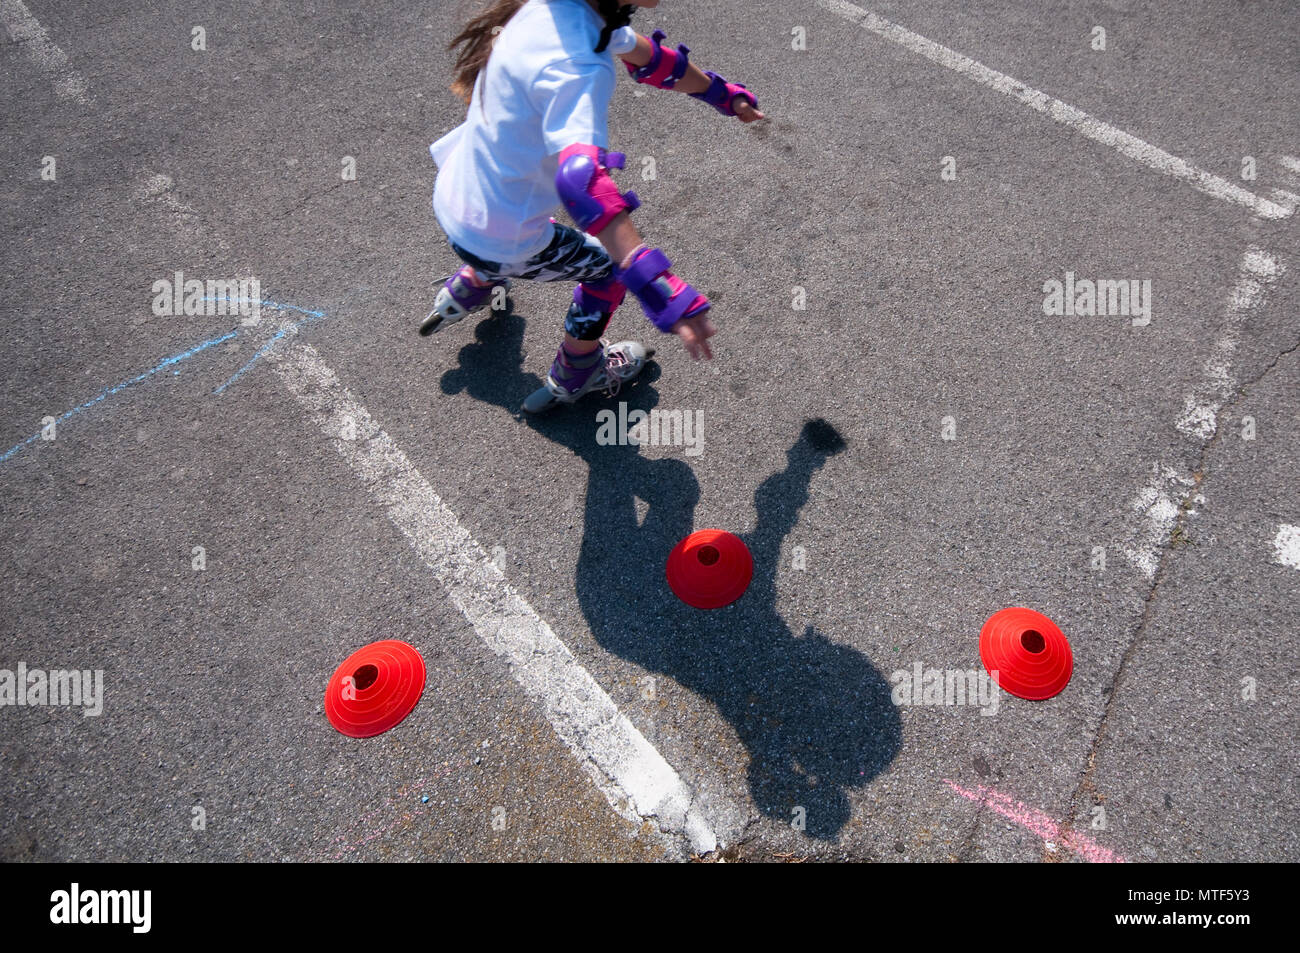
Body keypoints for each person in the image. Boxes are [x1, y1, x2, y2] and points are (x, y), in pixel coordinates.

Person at [424, 0, 763, 412]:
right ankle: (577, 370)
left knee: (521, 194)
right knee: (608, 270)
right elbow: (580, 181)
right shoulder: (581, 65)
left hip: (457, 194)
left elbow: (652, 59)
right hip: (498, 234)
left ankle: (474, 281)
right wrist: (655, 282)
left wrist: (720, 94)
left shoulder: (558, 10)